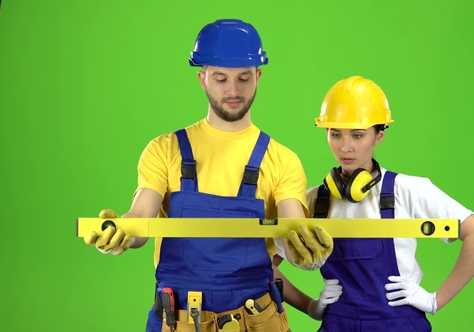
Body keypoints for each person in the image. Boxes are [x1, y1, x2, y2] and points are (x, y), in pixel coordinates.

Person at [82, 19, 335, 332]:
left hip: (257, 321)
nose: (232, 90)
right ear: (202, 79)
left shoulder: (282, 160)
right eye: (220, 78)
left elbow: (291, 226)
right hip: (180, 321)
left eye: (243, 78)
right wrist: (120, 232)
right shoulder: (165, 150)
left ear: (258, 76)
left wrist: (304, 250)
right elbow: (141, 219)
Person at [274, 75, 474, 331]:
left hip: (398, 324)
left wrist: (434, 300)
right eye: (335, 134)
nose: (345, 147)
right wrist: (311, 307)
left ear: (379, 135)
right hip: (337, 324)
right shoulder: (314, 200)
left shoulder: (407, 190)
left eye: (357, 135)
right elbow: (265, 266)